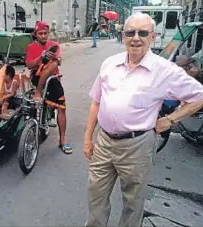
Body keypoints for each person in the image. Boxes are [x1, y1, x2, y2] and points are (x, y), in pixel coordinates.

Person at [83, 12, 203, 227]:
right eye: (130, 32)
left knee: (133, 201)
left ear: (152, 36)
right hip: (104, 142)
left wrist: (169, 120)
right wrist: (87, 137)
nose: (136, 37)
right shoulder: (109, 63)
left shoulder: (165, 70)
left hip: (137, 145)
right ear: (123, 35)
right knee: (96, 196)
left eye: (142, 32)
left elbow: (199, 96)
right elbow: (96, 103)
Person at [25, 21, 72, 154]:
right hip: (37, 76)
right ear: (36, 35)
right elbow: (29, 66)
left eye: (45, 33)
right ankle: (38, 92)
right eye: (40, 33)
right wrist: (41, 57)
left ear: (48, 34)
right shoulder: (31, 47)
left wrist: (56, 59)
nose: (43, 36)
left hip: (52, 79)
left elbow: (60, 61)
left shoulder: (54, 45)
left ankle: (62, 140)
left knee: (62, 107)